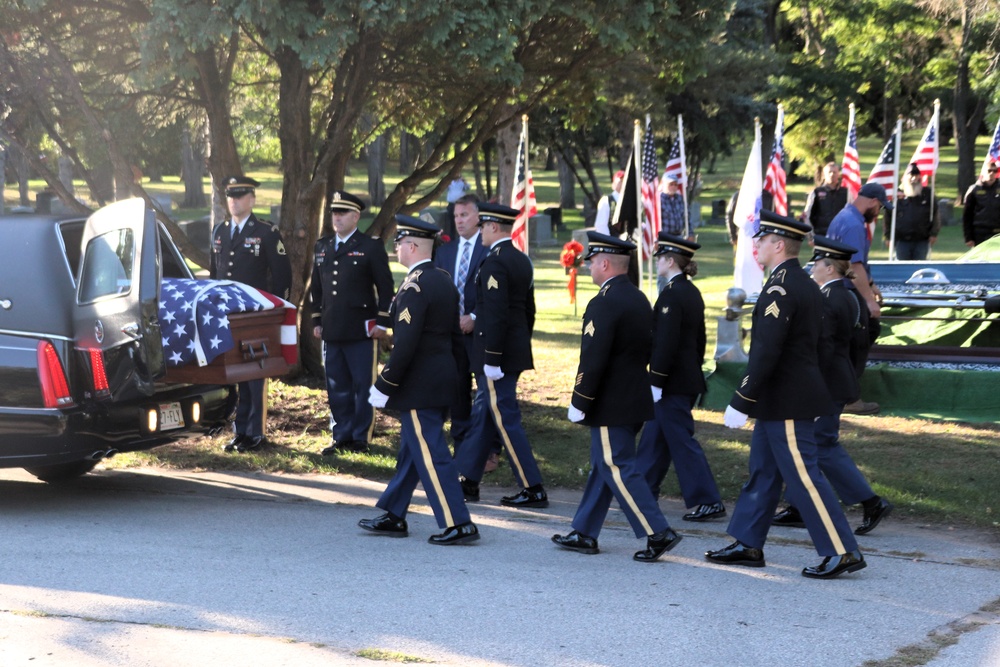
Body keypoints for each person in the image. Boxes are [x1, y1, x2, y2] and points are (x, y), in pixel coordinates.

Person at [706, 210, 867, 579]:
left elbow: (767, 350)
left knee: (804, 477)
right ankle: (747, 542)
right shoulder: (801, 282)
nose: (755, 245)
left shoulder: (782, 287)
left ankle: (843, 550)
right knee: (763, 472)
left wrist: (741, 399)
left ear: (779, 245)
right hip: (781, 398)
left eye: (761, 240)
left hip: (788, 400)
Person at [552, 232, 683, 562]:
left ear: (605, 263)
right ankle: (584, 531)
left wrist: (580, 398)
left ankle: (657, 531)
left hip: (611, 401)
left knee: (618, 466)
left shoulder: (604, 301)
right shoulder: (638, 298)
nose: (590, 267)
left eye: (593, 262)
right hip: (632, 396)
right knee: (603, 465)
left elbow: (593, 357)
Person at [358, 215, 480, 546]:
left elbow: (406, 343)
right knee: (413, 451)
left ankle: (458, 521)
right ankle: (394, 513)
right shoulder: (442, 280)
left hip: (418, 385)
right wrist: (458, 381)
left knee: (431, 453)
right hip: (441, 380)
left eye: (399, 243)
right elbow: (455, 339)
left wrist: (385, 383)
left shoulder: (414, 285)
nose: (396, 248)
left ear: (412, 247)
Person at [771, 236, 894, 536]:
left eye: (817, 264)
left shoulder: (829, 299)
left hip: (826, 385)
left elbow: (821, 348)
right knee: (813, 445)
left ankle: (871, 501)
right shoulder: (849, 295)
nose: (812, 268)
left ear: (830, 269)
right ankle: (800, 505)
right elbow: (858, 343)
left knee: (821, 445)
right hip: (838, 381)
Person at [454, 203, 548, 508]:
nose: (480, 231)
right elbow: (528, 313)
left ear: (494, 228)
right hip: (513, 351)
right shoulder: (521, 260)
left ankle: (532, 485)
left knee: (505, 418)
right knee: (485, 414)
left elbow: (494, 315)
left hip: (497, 356)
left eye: (483, 226)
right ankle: (468, 479)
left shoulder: (495, 262)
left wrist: (492, 358)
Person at [635, 232, 725, 523]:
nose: (657, 261)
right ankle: (640, 493)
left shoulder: (673, 294)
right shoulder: (689, 291)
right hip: (681, 378)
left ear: (671, 261)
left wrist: (657, 380)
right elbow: (699, 341)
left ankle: (708, 500)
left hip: (672, 381)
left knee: (680, 442)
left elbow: (666, 342)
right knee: (654, 439)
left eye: (660, 257)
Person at [210, 175, 291, 453]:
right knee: (234, 372)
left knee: (255, 373)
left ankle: (256, 432)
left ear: (252, 199)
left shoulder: (266, 232)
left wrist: (278, 313)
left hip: (256, 316)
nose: (234, 201)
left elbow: (282, 276)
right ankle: (240, 430)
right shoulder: (219, 231)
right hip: (227, 315)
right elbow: (214, 275)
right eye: (231, 196)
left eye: (240, 195)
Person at [310, 190, 394, 454]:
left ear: (356, 216)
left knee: (362, 385)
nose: (337, 217)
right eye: (335, 212)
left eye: (343, 213)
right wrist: (316, 319)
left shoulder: (370, 246)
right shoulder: (322, 246)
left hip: (361, 329)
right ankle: (341, 435)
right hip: (332, 328)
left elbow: (386, 286)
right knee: (336, 386)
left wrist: (382, 321)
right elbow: (317, 287)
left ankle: (361, 437)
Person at [827, 182, 893, 416]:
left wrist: (871, 284)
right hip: (848, 292)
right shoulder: (854, 225)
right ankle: (849, 397)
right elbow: (854, 267)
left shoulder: (843, 217)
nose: (879, 213)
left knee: (852, 342)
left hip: (836, 288)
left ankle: (843, 393)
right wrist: (869, 300)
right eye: (880, 208)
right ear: (874, 202)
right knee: (858, 343)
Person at [432, 194, 490, 459]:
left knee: (485, 393)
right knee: (457, 390)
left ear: (478, 216)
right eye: (456, 216)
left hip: (481, 334)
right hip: (451, 334)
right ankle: (462, 444)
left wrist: (475, 317)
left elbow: (498, 297)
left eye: (464, 215)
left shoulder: (489, 249)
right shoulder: (444, 251)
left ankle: (488, 447)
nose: (459, 221)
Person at [885, 163, 939, 260]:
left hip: (922, 240)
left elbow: (935, 214)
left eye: (916, 175)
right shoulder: (896, 195)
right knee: (901, 270)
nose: (914, 178)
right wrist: (888, 236)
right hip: (902, 241)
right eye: (911, 175)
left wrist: (934, 233)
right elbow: (888, 216)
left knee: (919, 269)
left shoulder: (928, 194)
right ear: (905, 177)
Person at [801, 161, 848, 236]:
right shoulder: (816, 192)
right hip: (821, 236)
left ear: (838, 174)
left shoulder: (845, 193)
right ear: (824, 174)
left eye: (834, 172)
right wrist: (811, 236)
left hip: (841, 236)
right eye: (829, 172)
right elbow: (807, 216)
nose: (832, 174)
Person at [962, 160, 1000, 248]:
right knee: (981, 261)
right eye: (989, 171)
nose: (992, 173)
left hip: (997, 232)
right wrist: (968, 237)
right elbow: (967, 216)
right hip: (980, 233)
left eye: (995, 171)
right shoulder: (974, 190)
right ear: (983, 172)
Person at [593, 170, 624, 235]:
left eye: (625, 181)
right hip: (612, 241)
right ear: (613, 184)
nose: (623, 183)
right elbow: (601, 226)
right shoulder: (606, 200)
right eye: (620, 181)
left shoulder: (633, 200)